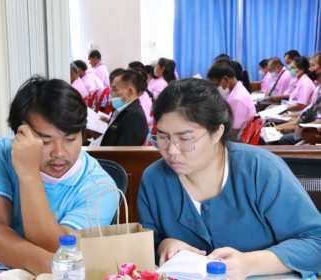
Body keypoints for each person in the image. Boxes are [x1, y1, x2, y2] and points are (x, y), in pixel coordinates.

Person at [137, 78, 321, 279]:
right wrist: (165, 245)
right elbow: (147, 247)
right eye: (163, 137)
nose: (172, 150)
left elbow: (316, 241)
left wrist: (249, 264)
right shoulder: (154, 179)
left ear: (217, 132)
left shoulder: (260, 169)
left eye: (186, 139)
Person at [0, 76, 118, 274]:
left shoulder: (101, 187)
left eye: (70, 139)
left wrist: (28, 174)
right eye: (45, 140)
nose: (59, 153)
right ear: (20, 134)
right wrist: (45, 263)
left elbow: (60, 249)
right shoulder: (1, 152)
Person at [207, 61, 256, 139]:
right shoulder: (239, 90)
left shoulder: (236, 99)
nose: (216, 89)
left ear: (225, 80)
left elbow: (233, 132)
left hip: (238, 141)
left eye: (216, 85)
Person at [100, 69, 149, 146]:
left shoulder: (135, 116)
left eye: (115, 90)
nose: (112, 94)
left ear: (130, 92)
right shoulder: (123, 111)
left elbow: (124, 153)